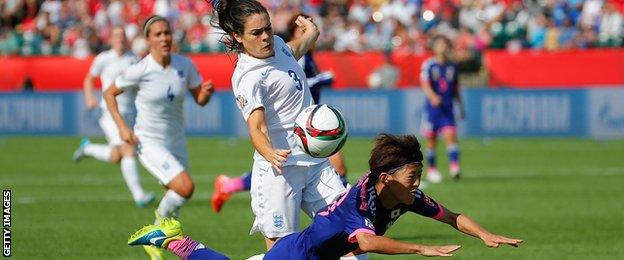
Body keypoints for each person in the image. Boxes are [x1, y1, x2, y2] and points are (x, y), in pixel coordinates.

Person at [127, 134, 522, 260]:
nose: (418, 184)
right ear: (386, 178)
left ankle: (172, 236)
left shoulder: (402, 195)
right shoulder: (360, 204)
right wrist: (422, 249)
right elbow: (366, 241)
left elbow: (452, 216)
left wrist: (485, 234)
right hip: (295, 255)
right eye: (413, 176)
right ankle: (170, 236)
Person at [211, 0, 346, 250]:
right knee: (283, 253)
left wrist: (312, 33)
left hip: (315, 164)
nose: (266, 37)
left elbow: (295, 49)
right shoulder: (248, 77)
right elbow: (257, 127)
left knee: (349, 236)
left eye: (268, 29)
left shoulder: (280, 46)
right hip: (280, 172)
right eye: (256, 32)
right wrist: (270, 152)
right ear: (237, 36)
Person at [103, 15, 215, 260]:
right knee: (185, 187)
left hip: (177, 142)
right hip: (149, 141)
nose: (164, 38)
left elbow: (200, 100)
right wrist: (122, 128)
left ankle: (160, 241)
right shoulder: (140, 70)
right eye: (158, 34)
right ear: (148, 40)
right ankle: (155, 232)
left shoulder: (184, 65)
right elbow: (109, 93)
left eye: (167, 33)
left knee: (173, 196)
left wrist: (206, 93)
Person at [72, 27, 154, 207]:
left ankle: (88, 149)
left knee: (117, 155)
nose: (120, 39)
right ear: (111, 39)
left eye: (122, 36)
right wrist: (89, 97)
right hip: (109, 112)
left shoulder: (133, 58)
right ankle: (139, 196)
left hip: (129, 113)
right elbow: (89, 79)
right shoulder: (103, 59)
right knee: (128, 149)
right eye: (116, 36)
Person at [420, 35, 465, 183]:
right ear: (434, 47)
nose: (442, 47)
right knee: (432, 140)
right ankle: (432, 169)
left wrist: (461, 106)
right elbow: (425, 84)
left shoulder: (452, 66)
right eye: (439, 44)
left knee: (451, 136)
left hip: (448, 108)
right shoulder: (429, 65)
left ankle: (455, 168)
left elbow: (456, 89)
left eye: (445, 44)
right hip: (433, 110)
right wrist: (433, 96)